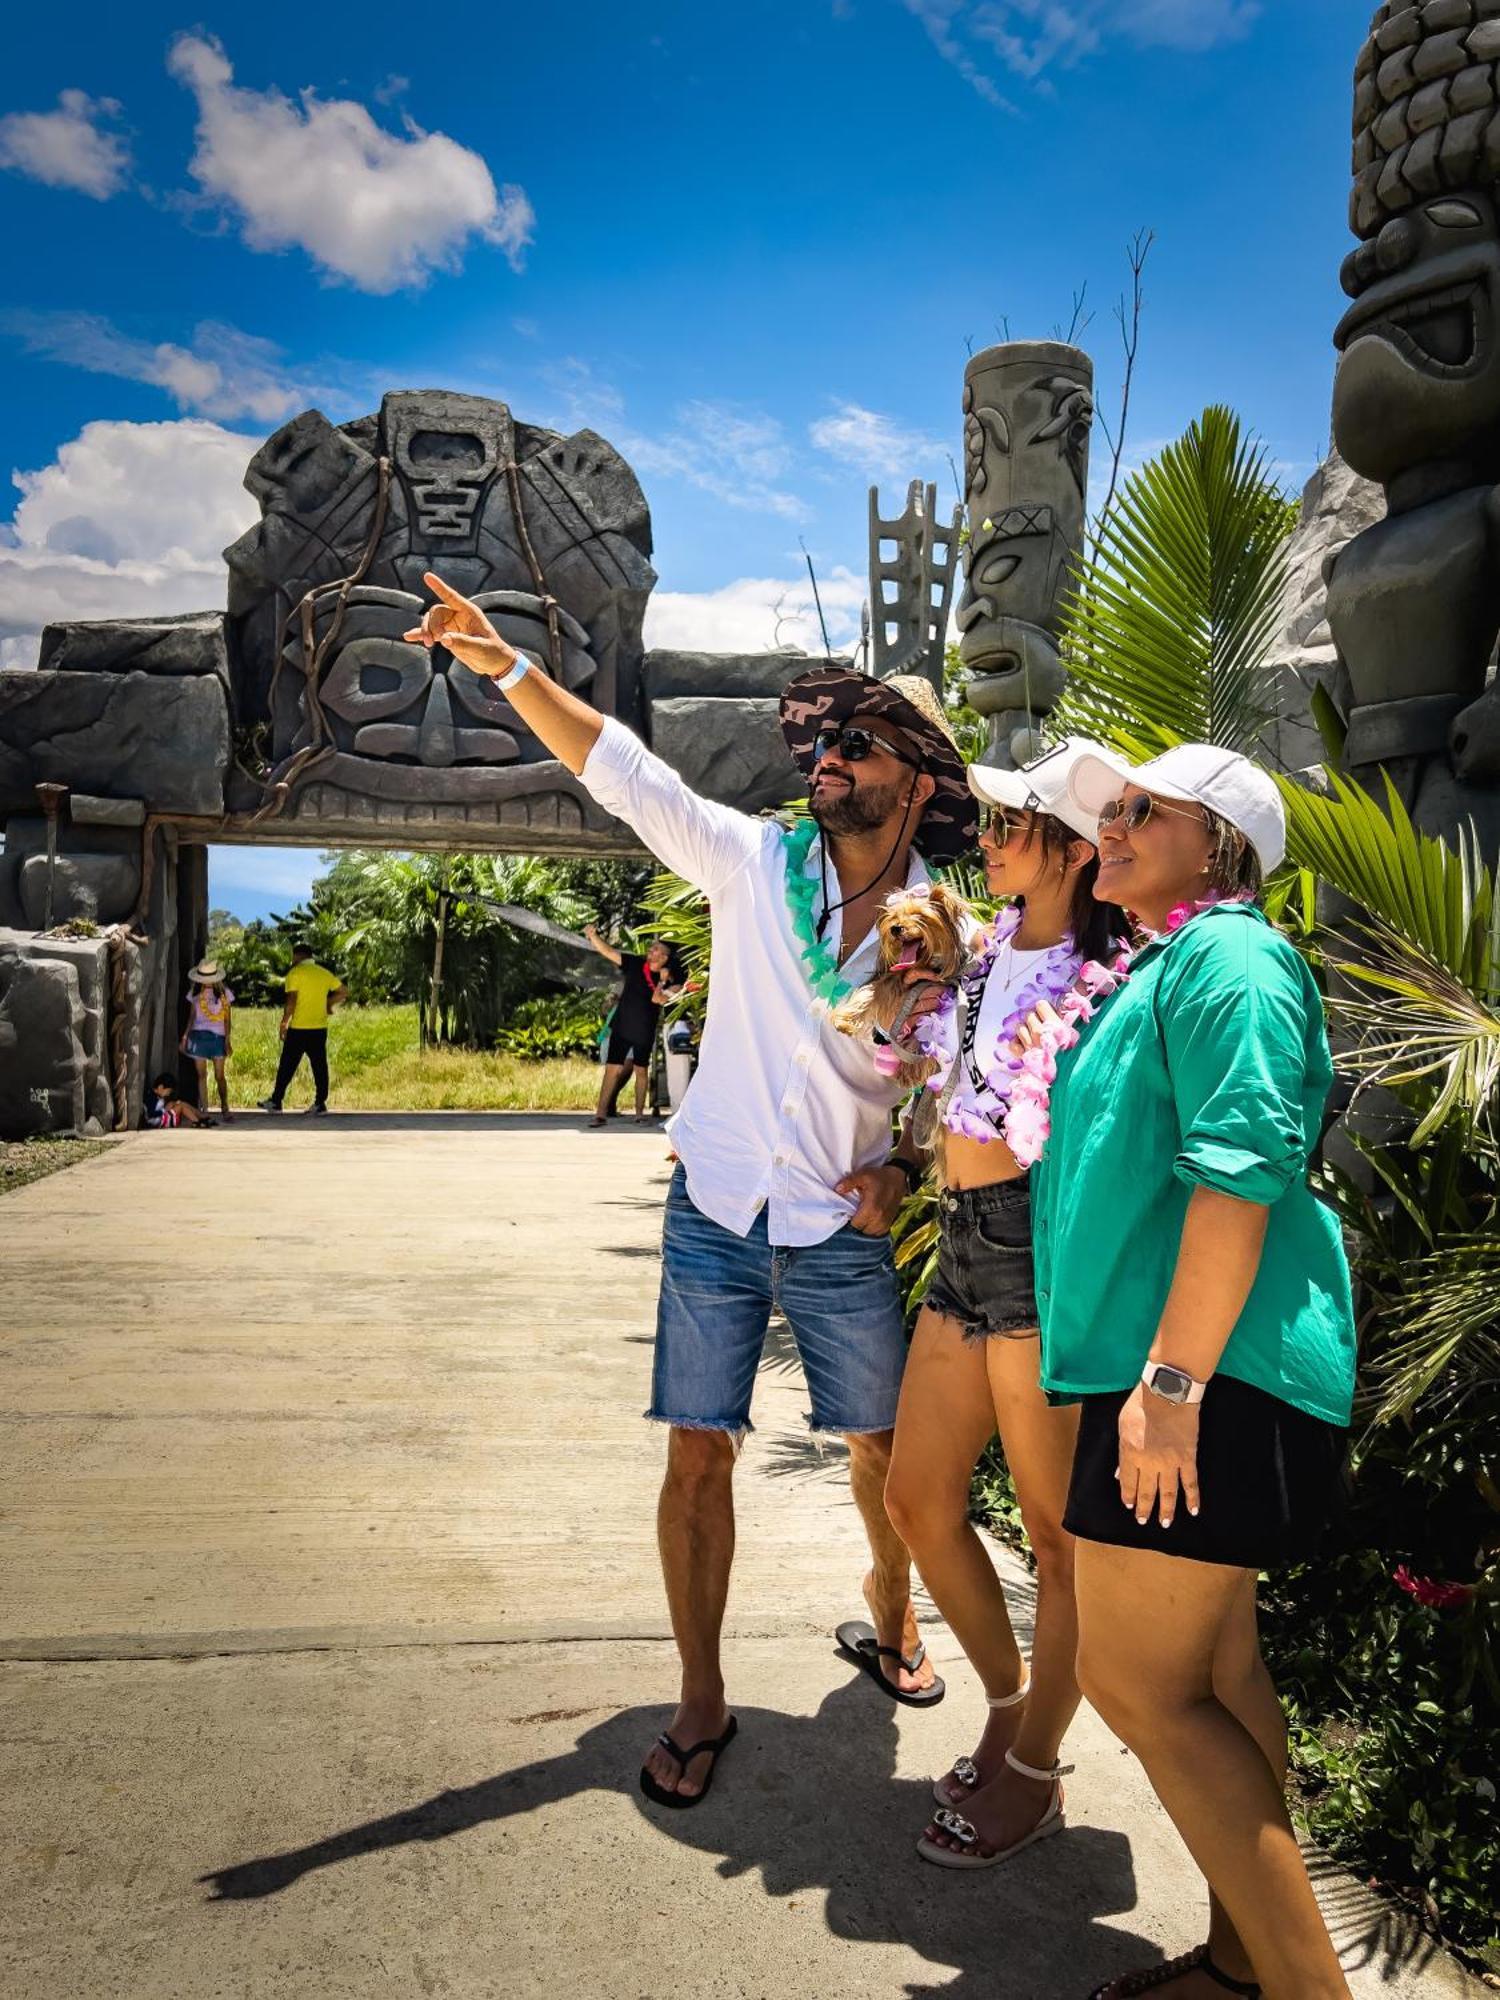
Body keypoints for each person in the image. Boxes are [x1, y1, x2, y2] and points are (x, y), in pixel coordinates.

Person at [403, 571, 980, 1808]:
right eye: (825, 736)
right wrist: (506, 667)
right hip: (716, 1209)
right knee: (696, 1454)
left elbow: (965, 1077)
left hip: (835, 1223)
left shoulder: (941, 926)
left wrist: (907, 1164)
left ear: (915, 780)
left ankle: (890, 1609)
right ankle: (703, 1695)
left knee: (880, 1449)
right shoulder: (752, 860)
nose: (828, 755)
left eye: (858, 742)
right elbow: (624, 771)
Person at [1025, 744, 1357, 2000]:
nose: (1107, 825)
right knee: (1217, 1675)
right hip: (1192, 1370)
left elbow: (1241, 1171)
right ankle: (1238, 1963)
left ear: (1219, 841)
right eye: (1106, 809)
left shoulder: (1232, 954)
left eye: (1139, 808)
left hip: (1208, 1378)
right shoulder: (1164, 963)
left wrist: (1167, 1392)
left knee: (1139, 1685)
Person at [879, 742, 1132, 1872]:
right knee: (917, 1497)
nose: (984, 840)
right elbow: (947, 1077)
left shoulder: (1112, 977)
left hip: (1038, 1251)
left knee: (1053, 1536)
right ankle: (1007, 1696)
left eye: (1009, 825)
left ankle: (1033, 1767)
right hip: (962, 1244)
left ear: (1074, 853)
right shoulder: (986, 955)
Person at [583, 926, 673, 1125]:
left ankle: (640, 1114)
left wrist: (663, 981)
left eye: (656, 948)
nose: (651, 950)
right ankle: (600, 1114)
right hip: (622, 1027)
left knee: (641, 1071)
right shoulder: (634, 963)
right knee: (612, 1070)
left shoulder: (669, 977)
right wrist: (593, 936)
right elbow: (608, 952)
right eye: (651, 948)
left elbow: (659, 999)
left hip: (644, 1030)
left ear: (665, 957)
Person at [257, 944, 347, 1117]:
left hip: (299, 1028)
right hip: (319, 1028)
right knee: (320, 1066)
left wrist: (284, 1022)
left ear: (298, 956)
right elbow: (343, 991)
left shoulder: (295, 973)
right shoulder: (323, 973)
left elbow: (291, 1000)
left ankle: (276, 1101)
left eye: (293, 957)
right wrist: (328, 1003)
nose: (292, 960)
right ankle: (320, 1103)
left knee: (287, 1066)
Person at [181, 959, 235, 1122]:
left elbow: (227, 1019)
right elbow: (191, 1016)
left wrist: (227, 1040)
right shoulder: (195, 993)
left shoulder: (225, 993)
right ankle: (205, 1110)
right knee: (201, 1075)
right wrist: (185, 1035)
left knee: (220, 1075)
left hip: (218, 1037)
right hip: (198, 1036)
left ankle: (225, 1107)